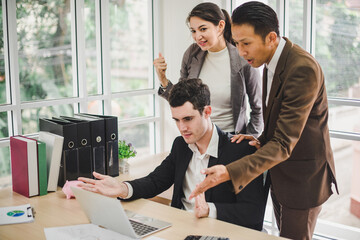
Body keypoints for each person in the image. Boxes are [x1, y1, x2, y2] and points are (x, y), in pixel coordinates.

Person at [189, 2, 338, 240]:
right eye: (236, 43)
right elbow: (279, 122)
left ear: (270, 38)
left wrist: (228, 172)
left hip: (302, 180)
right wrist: (259, 139)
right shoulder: (271, 60)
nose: (240, 52)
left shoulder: (302, 68)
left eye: (246, 43)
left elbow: (283, 143)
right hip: (280, 174)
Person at [78, 78, 268, 230]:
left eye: (188, 119)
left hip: (218, 232)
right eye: (176, 120)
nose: (182, 128)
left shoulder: (241, 150)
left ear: (207, 112)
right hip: (179, 229)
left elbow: (253, 213)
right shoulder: (181, 145)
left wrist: (209, 209)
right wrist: (122, 188)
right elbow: (156, 181)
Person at [154, 2, 263, 136]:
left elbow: (258, 108)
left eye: (203, 29)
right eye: (193, 31)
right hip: (198, 136)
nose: (197, 36)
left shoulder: (242, 59)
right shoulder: (191, 54)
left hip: (230, 139)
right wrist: (163, 79)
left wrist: (250, 140)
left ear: (220, 26)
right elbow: (181, 99)